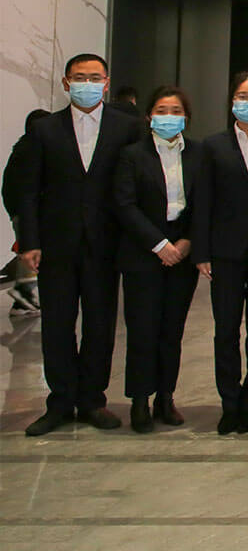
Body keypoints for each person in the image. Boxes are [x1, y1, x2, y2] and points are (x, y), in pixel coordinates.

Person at [18, 53, 142, 436]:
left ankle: (92, 399)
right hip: (57, 243)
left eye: (94, 77)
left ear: (106, 83)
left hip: (106, 243)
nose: (87, 84)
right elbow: (28, 191)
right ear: (66, 83)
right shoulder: (45, 130)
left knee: (100, 324)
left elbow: (136, 184)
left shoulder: (127, 127)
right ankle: (59, 401)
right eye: (79, 77)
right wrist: (29, 241)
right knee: (57, 324)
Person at [193, 71, 248, 435]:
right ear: (231, 102)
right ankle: (229, 401)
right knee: (225, 329)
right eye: (242, 97)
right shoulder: (213, 146)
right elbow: (203, 202)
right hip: (224, 252)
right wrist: (201, 251)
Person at [114, 85, 201, 433]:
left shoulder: (198, 153)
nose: (169, 117)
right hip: (143, 252)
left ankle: (166, 397)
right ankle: (140, 400)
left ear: (186, 117)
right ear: (149, 116)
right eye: (162, 111)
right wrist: (159, 244)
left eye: (176, 111)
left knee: (172, 330)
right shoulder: (132, 155)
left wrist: (187, 241)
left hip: (183, 252)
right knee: (142, 330)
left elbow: (204, 201)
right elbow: (125, 205)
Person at [3, 108, 50, 315]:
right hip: (26, 211)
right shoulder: (32, 150)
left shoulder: (22, 147)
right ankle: (24, 293)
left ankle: (23, 300)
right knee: (32, 250)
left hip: (18, 209)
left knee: (28, 249)